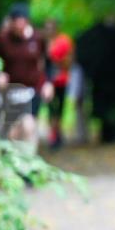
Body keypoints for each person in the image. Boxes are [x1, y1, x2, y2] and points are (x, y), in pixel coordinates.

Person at [0, 3, 54, 154]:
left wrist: (48, 83)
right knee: (13, 131)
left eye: (22, 22)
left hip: (32, 89)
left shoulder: (38, 39)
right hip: (10, 91)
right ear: (11, 23)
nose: (19, 27)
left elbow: (49, 62)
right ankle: (14, 164)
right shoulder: (2, 39)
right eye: (16, 23)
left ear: (27, 22)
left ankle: (29, 166)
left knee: (29, 125)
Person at [75, 16, 115, 144]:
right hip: (107, 81)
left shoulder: (100, 38)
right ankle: (109, 134)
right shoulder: (114, 39)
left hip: (107, 81)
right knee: (108, 108)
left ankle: (110, 134)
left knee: (109, 108)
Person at [44, 19, 75, 149]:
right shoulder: (43, 42)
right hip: (48, 82)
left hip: (61, 80)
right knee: (51, 109)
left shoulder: (64, 41)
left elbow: (69, 59)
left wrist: (58, 63)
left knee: (60, 108)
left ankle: (58, 133)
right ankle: (53, 134)